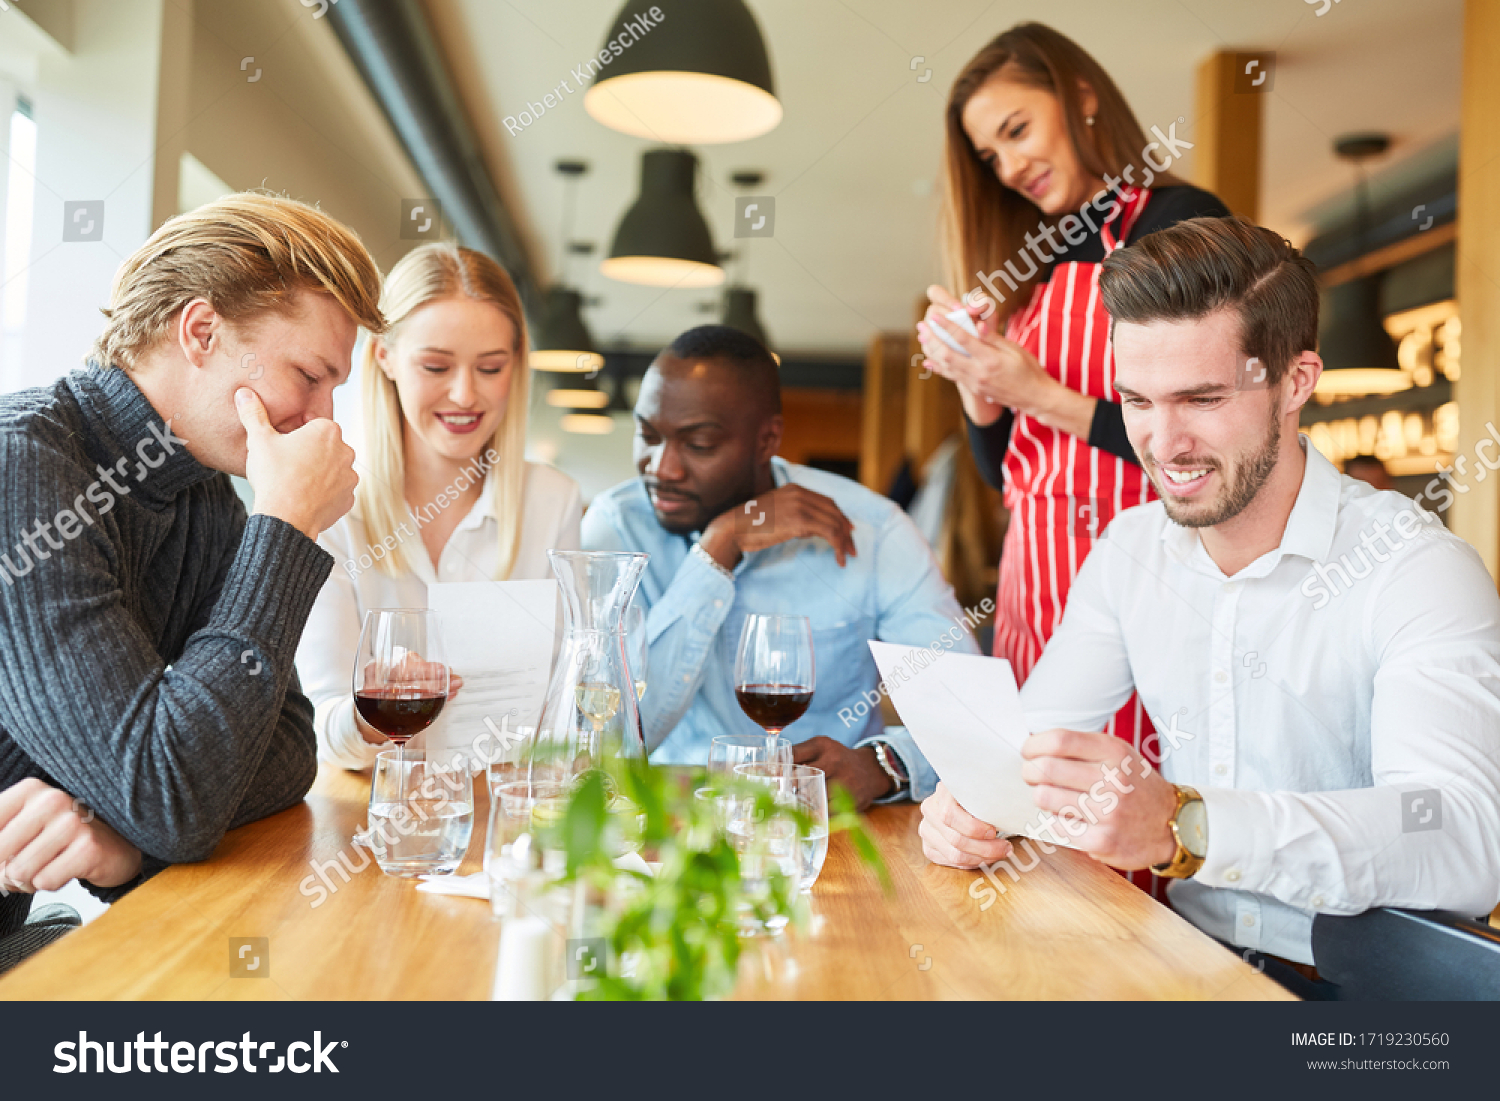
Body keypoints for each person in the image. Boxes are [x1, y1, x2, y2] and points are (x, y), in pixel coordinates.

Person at [919, 216, 1500, 996]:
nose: (1163, 442)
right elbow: (1033, 751)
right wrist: (970, 806)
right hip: (1183, 966)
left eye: (1201, 397)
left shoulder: (1417, 569)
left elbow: (1461, 840)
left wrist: (1188, 826)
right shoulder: (1130, 549)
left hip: (1363, 999)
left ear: (1296, 381)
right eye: (1137, 400)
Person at [0, 193, 384, 957]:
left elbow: (288, 745)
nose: (323, 421)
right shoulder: (23, 466)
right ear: (201, 331)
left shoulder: (200, 492)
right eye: (309, 375)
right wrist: (284, 524)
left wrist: (126, 835)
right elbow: (170, 790)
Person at [915, 23, 1231, 810]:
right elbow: (1008, 474)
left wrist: (1032, 389)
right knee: (1033, 806)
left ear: (1081, 96)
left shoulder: (1179, 221)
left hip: (1148, 571)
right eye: (990, 155)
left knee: (1120, 812)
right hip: (1035, 577)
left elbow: (1201, 435)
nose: (1009, 166)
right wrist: (974, 378)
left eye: (1016, 130)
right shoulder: (1030, 258)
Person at [582, 326, 978, 810]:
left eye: (699, 444)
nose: (662, 468)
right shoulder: (615, 532)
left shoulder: (874, 530)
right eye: (647, 435)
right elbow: (610, 737)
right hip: (664, 826)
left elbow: (970, 715)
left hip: (833, 832)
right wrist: (718, 549)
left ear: (768, 438)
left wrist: (882, 765)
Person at [297, 243, 581, 770]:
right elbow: (321, 730)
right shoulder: (332, 506)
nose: (464, 394)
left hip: (503, 819)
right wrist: (368, 715)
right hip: (366, 819)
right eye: (435, 365)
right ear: (385, 356)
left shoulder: (553, 502)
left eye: (491, 368)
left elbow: (565, 705)